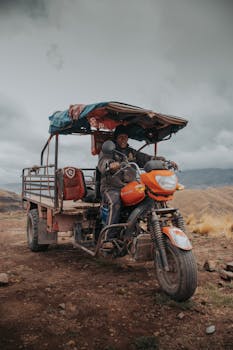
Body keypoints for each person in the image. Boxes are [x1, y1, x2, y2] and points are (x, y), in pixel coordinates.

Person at [97, 125, 176, 246]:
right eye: (120, 137)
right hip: (111, 187)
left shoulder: (131, 152)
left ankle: (154, 231)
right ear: (116, 138)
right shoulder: (109, 151)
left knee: (150, 197)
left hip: (130, 187)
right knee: (115, 202)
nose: (123, 139)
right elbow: (103, 163)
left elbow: (146, 158)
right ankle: (108, 239)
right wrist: (110, 165)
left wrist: (162, 161)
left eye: (125, 137)